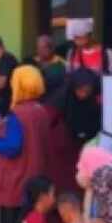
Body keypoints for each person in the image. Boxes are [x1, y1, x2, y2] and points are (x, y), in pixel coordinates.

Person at [0, 65, 50, 223]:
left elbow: (12, 147)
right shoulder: (41, 110)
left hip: (14, 183)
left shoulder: (18, 113)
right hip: (34, 181)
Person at [43, 68, 101, 197]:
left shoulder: (94, 103)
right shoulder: (60, 100)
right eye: (80, 89)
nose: (84, 94)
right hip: (62, 153)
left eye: (88, 90)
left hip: (84, 150)